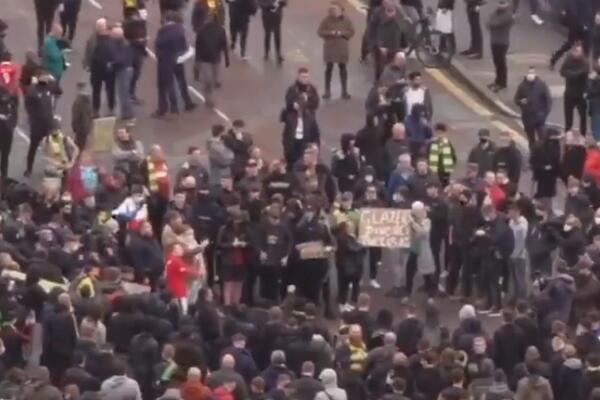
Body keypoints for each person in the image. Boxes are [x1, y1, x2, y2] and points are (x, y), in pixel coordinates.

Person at [317, 2, 355, 100]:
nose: (335, 12)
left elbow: (351, 32)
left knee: (343, 68)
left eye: (337, 10)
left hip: (342, 47)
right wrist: (331, 33)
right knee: (329, 69)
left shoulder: (347, 20)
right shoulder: (326, 20)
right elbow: (320, 32)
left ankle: (344, 91)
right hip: (330, 47)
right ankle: (327, 91)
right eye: (333, 11)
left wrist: (342, 33)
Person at [153, 11, 187, 118]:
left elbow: (158, 45)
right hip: (178, 58)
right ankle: (187, 102)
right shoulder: (180, 29)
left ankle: (167, 108)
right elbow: (184, 45)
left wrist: (159, 56)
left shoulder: (163, 31)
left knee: (166, 85)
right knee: (181, 80)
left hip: (166, 60)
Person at [194, 10, 230, 109]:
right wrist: (197, 60)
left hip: (216, 59)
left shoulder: (220, 30)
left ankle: (211, 92)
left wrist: (227, 59)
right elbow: (198, 46)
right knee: (208, 80)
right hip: (204, 59)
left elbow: (224, 45)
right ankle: (208, 99)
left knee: (215, 80)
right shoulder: (201, 30)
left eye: (209, 17)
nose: (207, 19)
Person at [368, 0, 411, 81]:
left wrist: (404, 47)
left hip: (396, 46)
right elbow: (372, 29)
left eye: (392, 1)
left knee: (397, 69)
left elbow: (404, 30)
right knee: (380, 69)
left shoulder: (400, 13)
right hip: (381, 47)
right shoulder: (378, 12)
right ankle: (378, 85)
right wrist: (377, 45)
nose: (389, 2)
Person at [24, 73, 57, 177]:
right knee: (33, 147)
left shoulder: (48, 89)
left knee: (53, 146)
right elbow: (27, 105)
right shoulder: (32, 92)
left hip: (49, 123)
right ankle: (29, 168)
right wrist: (32, 117)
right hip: (37, 125)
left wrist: (53, 79)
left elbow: (59, 90)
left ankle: (53, 168)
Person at [513, 66, 552, 149]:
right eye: (529, 73)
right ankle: (533, 155)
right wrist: (521, 102)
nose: (531, 75)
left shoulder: (542, 85)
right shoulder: (522, 86)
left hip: (539, 117)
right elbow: (516, 99)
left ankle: (543, 155)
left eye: (532, 73)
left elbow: (548, 100)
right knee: (531, 139)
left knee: (542, 138)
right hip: (527, 117)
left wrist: (544, 115)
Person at [86, 19, 115, 118]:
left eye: (101, 26)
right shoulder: (93, 38)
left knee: (110, 89)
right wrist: (87, 64)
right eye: (98, 26)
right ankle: (96, 110)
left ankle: (111, 108)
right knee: (96, 89)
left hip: (109, 68)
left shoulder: (112, 37)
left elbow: (116, 52)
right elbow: (88, 51)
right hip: (96, 67)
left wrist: (113, 63)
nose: (100, 29)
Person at [560, 43, 590, 136]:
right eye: (576, 51)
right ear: (573, 51)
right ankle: (568, 135)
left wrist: (572, 74)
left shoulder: (585, 62)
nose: (577, 53)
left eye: (579, 51)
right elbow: (562, 71)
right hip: (569, 93)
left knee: (583, 118)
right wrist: (575, 74)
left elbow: (585, 75)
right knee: (568, 118)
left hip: (580, 94)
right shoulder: (569, 59)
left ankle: (583, 137)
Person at [486, 0, 514, 93]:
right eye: (499, 3)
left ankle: (502, 83)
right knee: (496, 62)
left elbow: (495, 23)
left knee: (501, 63)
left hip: (502, 42)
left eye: (502, 3)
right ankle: (497, 81)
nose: (500, 5)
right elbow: (489, 22)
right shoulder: (496, 12)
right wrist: (491, 22)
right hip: (494, 41)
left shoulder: (507, 15)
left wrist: (491, 22)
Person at [110, 26, 135, 122]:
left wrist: (111, 63)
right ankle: (126, 112)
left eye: (113, 34)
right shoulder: (123, 43)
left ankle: (127, 113)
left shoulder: (124, 45)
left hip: (124, 70)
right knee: (123, 92)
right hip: (124, 69)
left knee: (124, 93)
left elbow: (120, 59)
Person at [123, 7, 147, 104]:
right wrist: (138, 41)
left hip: (138, 51)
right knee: (131, 74)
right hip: (132, 51)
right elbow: (125, 37)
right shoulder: (129, 24)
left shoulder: (141, 23)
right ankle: (128, 94)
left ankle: (131, 94)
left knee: (135, 74)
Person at [427, 122, 456, 188]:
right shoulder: (430, 144)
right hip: (433, 173)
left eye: (441, 133)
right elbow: (426, 156)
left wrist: (450, 168)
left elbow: (453, 157)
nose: (440, 135)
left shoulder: (448, 143)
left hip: (445, 173)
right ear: (435, 133)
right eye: (438, 133)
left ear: (444, 133)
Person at [70, 81, 93, 151]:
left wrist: (74, 126)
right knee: (84, 147)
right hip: (86, 128)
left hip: (80, 129)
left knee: (77, 149)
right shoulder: (88, 101)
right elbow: (90, 116)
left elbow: (76, 117)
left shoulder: (78, 102)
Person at [589, 60, 600, 141]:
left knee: (596, 127)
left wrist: (591, 79)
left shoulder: (595, 79)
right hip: (595, 106)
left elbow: (590, 90)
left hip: (596, 106)